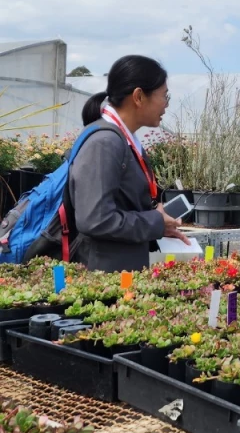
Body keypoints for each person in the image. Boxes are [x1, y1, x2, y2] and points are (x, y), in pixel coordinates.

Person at [70, 55, 189, 271]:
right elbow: (96, 220)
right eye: (164, 96)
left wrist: (157, 222)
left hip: (119, 271)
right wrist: (154, 221)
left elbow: (121, 206)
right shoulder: (105, 143)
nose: (166, 105)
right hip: (104, 278)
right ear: (138, 96)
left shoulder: (122, 139)